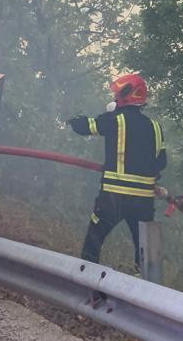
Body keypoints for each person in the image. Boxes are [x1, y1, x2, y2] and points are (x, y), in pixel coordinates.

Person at [68, 73, 166, 268]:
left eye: (116, 94)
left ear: (125, 94)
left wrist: (73, 119)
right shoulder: (155, 127)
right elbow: (161, 162)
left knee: (93, 243)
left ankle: (87, 282)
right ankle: (142, 284)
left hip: (114, 197)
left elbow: (84, 127)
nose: (114, 97)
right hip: (144, 202)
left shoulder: (116, 120)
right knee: (145, 254)